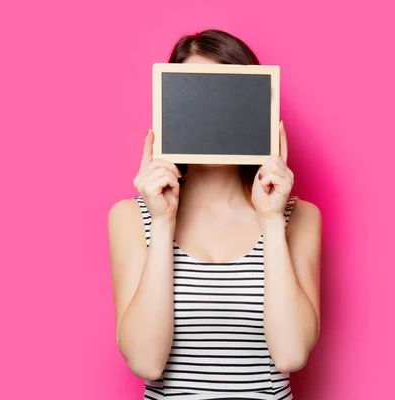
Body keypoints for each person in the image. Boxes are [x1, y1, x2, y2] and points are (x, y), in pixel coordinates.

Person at [108, 29, 321, 400]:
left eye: (228, 98)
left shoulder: (298, 217)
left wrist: (271, 221)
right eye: (196, 96)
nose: (214, 115)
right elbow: (145, 362)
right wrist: (162, 224)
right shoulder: (131, 217)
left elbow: (291, 354)